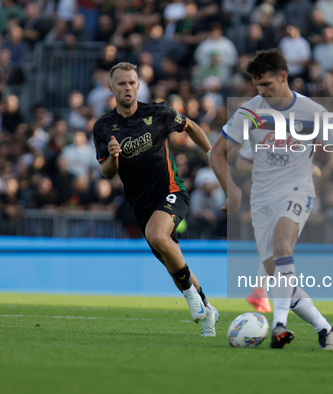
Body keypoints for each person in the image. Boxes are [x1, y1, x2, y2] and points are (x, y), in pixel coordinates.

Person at [210, 49, 333, 349]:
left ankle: (279, 325)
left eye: (267, 85)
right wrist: (231, 189)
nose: (262, 92)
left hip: (298, 191)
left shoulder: (312, 112)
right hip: (261, 200)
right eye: (257, 86)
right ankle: (325, 329)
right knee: (280, 275)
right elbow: (217, 153)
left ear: (283, 77)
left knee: (282, 245)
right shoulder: (250, 111)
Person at [92, 62, 219, 336]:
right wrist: (113, 156)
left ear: (139, 86)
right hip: (142, 204)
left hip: (172, 190)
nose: (127, 87)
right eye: (121, 83)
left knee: (159, 237)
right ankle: (208, 308)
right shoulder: (104, 127)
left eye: (131, 82)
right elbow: (107, 173)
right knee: (173, 263)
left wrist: (212, 155)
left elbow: (191, 126)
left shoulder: (158, 113)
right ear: (111, 88)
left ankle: (192, 301)